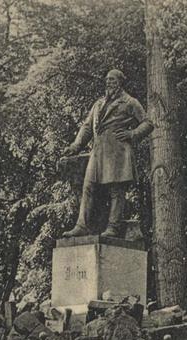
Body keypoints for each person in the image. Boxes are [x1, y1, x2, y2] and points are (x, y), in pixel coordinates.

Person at [62, 69, 153, 238]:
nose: (109, 83)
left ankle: (113, 227)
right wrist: (76, 145)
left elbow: (148, 123)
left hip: (118, 152)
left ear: (120, 82)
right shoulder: (98, 104)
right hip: (97, 153)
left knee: (116, 191)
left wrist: (132, 134)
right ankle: (82, 225)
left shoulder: (130, 102)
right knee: (88, 187)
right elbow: (87, 127)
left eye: (112, 80)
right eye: (107, 80)